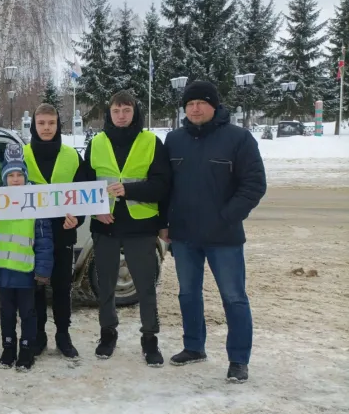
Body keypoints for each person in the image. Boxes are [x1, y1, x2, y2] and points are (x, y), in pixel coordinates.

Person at [163, 81, 266, 383]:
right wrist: (165, 222)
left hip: (224, 237)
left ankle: (238, 359)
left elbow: (254, 185)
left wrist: (226, 217)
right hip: (184, 236)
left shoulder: (239, 139)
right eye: (189, 103)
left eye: (201, 103)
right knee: (187, 294)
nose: (195, 108)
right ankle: (194, 347)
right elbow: (166, 187)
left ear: (214, 106)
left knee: (234, 297)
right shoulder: (174, 140)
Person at [82, 90, 170, 366]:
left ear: (135, 112)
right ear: (109, 113)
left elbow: (162, 186)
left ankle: (149, 338)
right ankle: (108, 334)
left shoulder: (151, 142)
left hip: (141, 226)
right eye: (116, 111)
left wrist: (128, 189)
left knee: (145, 286)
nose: (121, 116)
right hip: (104, 225)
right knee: (106, 285)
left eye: (126, 110)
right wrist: (96, 208)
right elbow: (84, 184)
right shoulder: (96, 143)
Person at [22, 103, 88, 359]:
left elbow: (84, 195)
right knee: (36, 288)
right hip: (32, 235)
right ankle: (39, 336)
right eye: (42, 124)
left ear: (58, 125)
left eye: (51, 123)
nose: (47, 128)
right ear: (34, 126)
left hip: (63, 233)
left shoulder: (72, 156)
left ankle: (63, 335)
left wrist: (78, 218)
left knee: (62, 288)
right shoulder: (22, 154)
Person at [0, 144, 53, 372]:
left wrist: (43, 270)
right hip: (3, 270)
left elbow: (44, 239)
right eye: (10, 175)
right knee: (6, 313)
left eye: (19, 175)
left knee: (28, 313)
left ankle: (26, 349)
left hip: (26, 271)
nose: (15, 180)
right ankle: (8, 347)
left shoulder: (35, 201)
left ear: (25, 176)